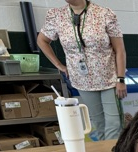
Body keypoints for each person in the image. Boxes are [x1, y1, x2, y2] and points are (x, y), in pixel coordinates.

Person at [37, 0, 127, 140]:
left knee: (114, 124)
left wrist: (120, 78)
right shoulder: (56, 15)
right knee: (97, 123)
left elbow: (120, 50)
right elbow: (42, 40)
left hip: (109, 78)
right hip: (82, 79)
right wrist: (59, 65)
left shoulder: (104, 14)